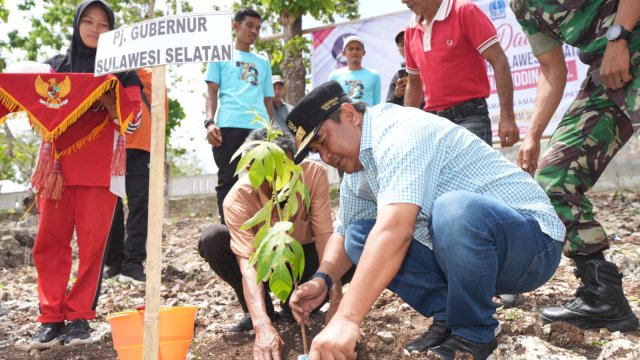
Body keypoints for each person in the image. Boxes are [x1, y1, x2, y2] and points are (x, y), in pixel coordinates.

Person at [286, 81, 565, 359]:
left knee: (453, 209)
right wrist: (322, 280)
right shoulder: (358, 166)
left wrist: (346, 319)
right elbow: (345, 232)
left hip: (531, 245)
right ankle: (449, 316)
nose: (325, 156)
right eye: (316, 152)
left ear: (349, 115)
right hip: (468, 255)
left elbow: (396, 231)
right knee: (361, 236)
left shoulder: (399, 133)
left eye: (323, 141)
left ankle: (473, 333)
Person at [512, 0, 640, 332]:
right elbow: (552, 68)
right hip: (608, 74)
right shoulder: (522, 7)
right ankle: (602, 296)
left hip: (627, 42)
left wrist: (618, 37)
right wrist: (533, 135)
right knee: (554, 179)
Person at [28, 0, 141, 349]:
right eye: (88, 22)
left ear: (112, 30)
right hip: (56, 170)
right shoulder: (55, 66)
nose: (94, 29)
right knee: (49, 244)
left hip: (101, 170)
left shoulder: (123, 70)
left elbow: (133, 119)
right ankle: (50, 319)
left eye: (103, 24)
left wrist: (111, 101)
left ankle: (79, 317)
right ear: (78, 25)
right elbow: (35, 111)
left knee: (93, 249)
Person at [198, 128, 353, 360]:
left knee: (354, 240)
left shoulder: (312, 174)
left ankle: (301, 304)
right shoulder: (237, 199)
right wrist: (262, 326)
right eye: (269, 172)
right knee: (213, 239)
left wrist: (336, 302)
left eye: (285, 169)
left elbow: (324, 238)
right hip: (265, 267)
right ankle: (262, 313)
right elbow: (247, 265)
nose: (279, 181)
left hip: (307, 266)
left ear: (292, 159)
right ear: (250, 168)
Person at [402, 0, 520, 148]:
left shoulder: (464, 10)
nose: (403, 1)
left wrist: (508, 116)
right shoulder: (410, 30)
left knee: (474, 172)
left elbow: (499, 60)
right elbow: (413, 83)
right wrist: (406, 128)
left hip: (471, 118)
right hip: (434, 125)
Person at [204, 8, 274, 225]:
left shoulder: (263, 62)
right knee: (228, 180)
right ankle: (229, 232)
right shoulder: (219, 54)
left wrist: (271, 130)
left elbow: (268, 100)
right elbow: (211, 92)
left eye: (258, 28)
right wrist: (209, 122)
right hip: (229, 125)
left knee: (264, 180)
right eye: (249, 25)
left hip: (259, 129)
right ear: (236, 26)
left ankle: (264, 232)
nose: (254, 31)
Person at [104, 67, 168, 284]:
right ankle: (114, 261)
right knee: (111, 205)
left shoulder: (155, 74)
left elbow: (162, 114)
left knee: (140, 203)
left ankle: (133, 264)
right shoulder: (109, 71)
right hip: (111, 145)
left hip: (142, 148)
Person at [328, 35, 381, 106]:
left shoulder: (374, 75)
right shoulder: (334, 76)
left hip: (368, 116)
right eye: (350, 49)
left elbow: (376, 104)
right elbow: (332, 104)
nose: (354, 52)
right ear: (343, 53)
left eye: (358, 49)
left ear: (364, 52)